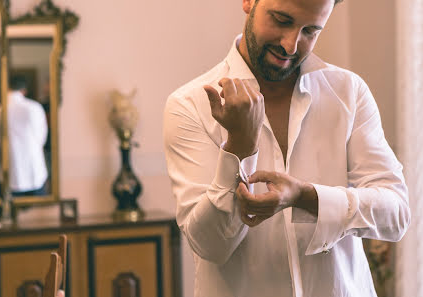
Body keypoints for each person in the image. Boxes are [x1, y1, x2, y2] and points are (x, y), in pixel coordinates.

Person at [163, 0, 411, 296]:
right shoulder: (190, 106)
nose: (291, 45)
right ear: (248, 2)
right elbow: (211, 246)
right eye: (281, 20)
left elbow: (396, 215)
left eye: (311, 31)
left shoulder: (349, 92)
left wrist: (307, 198)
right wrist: (240, 147)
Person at [0, 75, 48, 196]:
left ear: (8, 88)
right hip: (33, 165)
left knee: (11, 210)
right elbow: (41, 136)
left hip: (11, 163)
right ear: (24, 90)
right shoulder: (34, 107)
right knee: (40, 211)